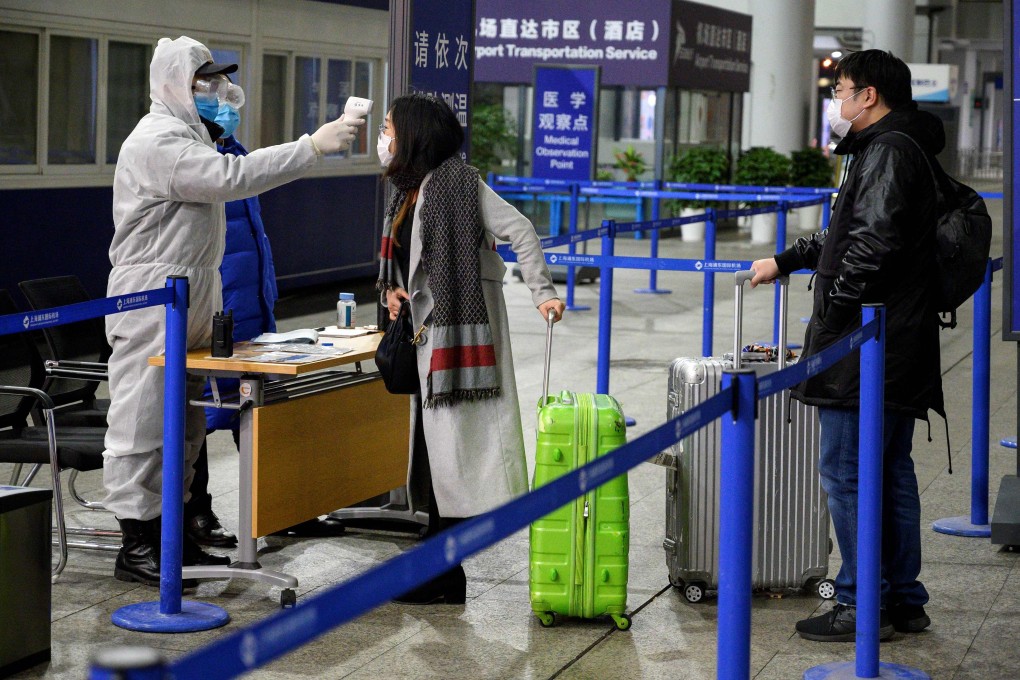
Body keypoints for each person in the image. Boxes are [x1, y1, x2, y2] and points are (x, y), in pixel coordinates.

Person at [104, 35, 363, 586]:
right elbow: (231, 179)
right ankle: (136, 543)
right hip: (152, 297)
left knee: (187, 422)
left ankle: (172, 537)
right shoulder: (157, 141)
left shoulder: (194, 136)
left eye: (221, 80)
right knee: (144, 423)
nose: (220, 91)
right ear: (175, 83)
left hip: (191, 294)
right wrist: (311, 146)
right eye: (206, 81)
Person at [750, 50, 942, 641]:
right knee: (889, 467)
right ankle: (904, 598)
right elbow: (845, 233)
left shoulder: (884, 151)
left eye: (842, 89)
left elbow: (871, 245)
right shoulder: (898, 146)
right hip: (900, 336)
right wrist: (785, 260)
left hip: (867, 342)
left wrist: (833, 321)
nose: (837, 99)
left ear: (871, 97)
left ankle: (859, 603)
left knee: (846, 470)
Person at [377, 93, 565, 604]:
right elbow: (407, 264)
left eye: (390, 127)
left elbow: (521, 231)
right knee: (439, 456)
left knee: (452, 455)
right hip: (428, 339)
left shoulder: (458, 184)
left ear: (413, 134)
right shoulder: (410, 190)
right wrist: (395, 291)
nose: (384, 136)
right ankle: (440, 571)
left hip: (459, 339)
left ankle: (440, 573)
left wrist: (543, 293)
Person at [185, 93, 345, 549]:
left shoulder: (234, 152)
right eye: (213, 97)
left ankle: (282, 509)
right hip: (216, 313)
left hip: (251, 308)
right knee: (200, 414)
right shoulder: (197, 159)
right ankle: (196, 516)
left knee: (259, 413)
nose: (226, 106)